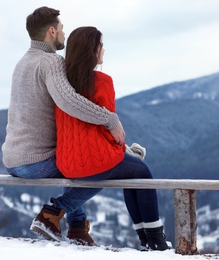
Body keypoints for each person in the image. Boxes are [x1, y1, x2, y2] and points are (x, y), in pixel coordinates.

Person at [2, 6, 125, 246]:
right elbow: (70, 102)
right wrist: (111, 119)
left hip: (12, 160)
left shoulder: (22, 62)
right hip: (36, 162)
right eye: (61, 29)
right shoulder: (51, 62)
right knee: (93, 166)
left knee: (77, 163)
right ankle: (56, 216)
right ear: (51, 31)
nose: (64, 35)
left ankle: (78, 228)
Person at [54, 26, 169, 251]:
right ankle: (153, 239)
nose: (103, 50)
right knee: (141, 172)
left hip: (66, 162)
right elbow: (108, 128)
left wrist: (124, 151)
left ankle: (149, 239)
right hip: (94, 160)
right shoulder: (102, 81)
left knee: (133, 169)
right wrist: (124, 149)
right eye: (101, 46)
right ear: (91, 51)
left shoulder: (61, 84)